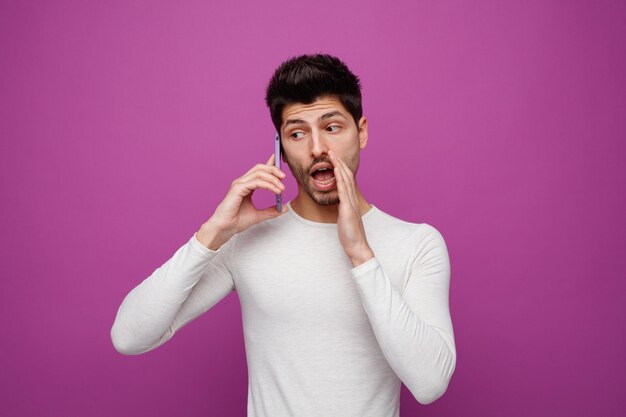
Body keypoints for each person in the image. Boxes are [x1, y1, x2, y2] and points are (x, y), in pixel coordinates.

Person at [111, 54, 456, 416]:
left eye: (332, 127)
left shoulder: (417, 244)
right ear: (281, 149)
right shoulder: (247, 240)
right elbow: (129, 337)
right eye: (297, 133)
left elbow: (430, 384)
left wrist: (360, 254)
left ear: (362, 131)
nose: (317, 148)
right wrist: (212, 232)